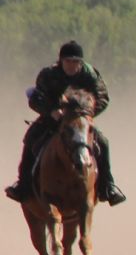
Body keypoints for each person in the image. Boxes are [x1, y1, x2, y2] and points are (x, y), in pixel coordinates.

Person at [6, 40, 126, 205]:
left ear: (81, 63)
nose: (71, 65)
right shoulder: (48, 74)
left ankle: (108, 186)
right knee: (31, 137)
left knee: (103, 142)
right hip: (53, 119)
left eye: (75, 62)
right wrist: (51, 111)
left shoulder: (90, 74)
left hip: (80, 120)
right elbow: (35, 98)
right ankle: (22, 184)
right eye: (68, 61)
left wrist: (85, 114)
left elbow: (103, 97)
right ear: (61, 61)